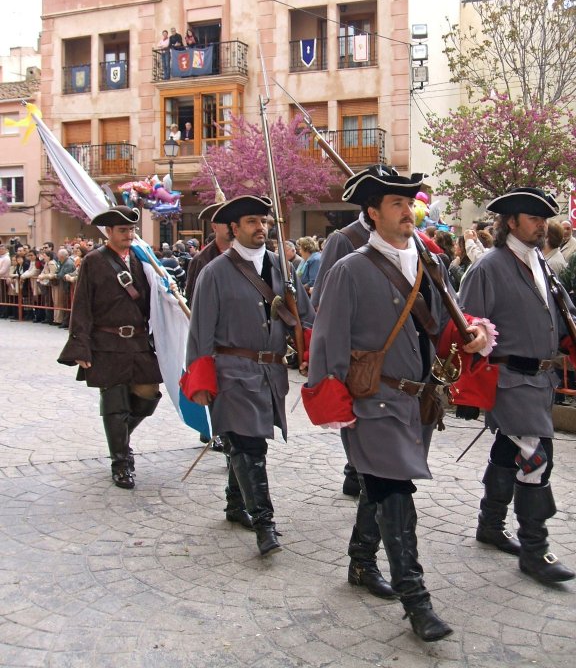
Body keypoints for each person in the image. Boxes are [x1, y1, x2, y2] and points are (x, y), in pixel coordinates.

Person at [304, 166, 490, 641]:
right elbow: (327, 340)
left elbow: (443, 325)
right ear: (372, 212)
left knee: (381, 484)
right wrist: (335, 403)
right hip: (373, 400)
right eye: (396, 204)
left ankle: (361, 561)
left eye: (410, 203)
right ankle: (416, 600)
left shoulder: (431, 263)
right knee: (395, 492)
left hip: (419, 401)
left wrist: (471, 334)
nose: (408, 212)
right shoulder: (349, 269)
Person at [183, 195, 315, 556]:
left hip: (271, 372)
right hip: (232, 372)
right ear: (234, 228)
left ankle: (234, 502)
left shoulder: (282, 268)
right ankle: (264, 523)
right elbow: (200, 332)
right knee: (250, 444)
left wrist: (311, 353)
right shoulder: (214, 273)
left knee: (245, 440)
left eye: (264, 221)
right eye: (252, 222)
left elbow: (305, 319)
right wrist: (201, 381)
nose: (261, 228)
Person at [459, 187, 575, 585]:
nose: (542, 225)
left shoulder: (538, 260)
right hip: (509, 381)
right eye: (534, 218)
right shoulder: (488, 267)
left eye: (544, 219)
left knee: (510, 451)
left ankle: (490, 525)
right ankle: (534, 550)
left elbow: (561, 315)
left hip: (540, 380)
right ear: (511, 222)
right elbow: (466, 322)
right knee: (537, 460)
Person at [57, 206, 163, 490]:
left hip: (138, 341)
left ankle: (120, 438)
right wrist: (81, 346)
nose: (129, 235)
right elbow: (82, 304)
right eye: (123, 230)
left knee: (148, 393)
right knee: (115, 403)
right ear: (109, 232)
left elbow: (155, 298)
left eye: (132, 230)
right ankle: (121, 463)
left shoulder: (142, 259)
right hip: (106, 341)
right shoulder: (94, 260)